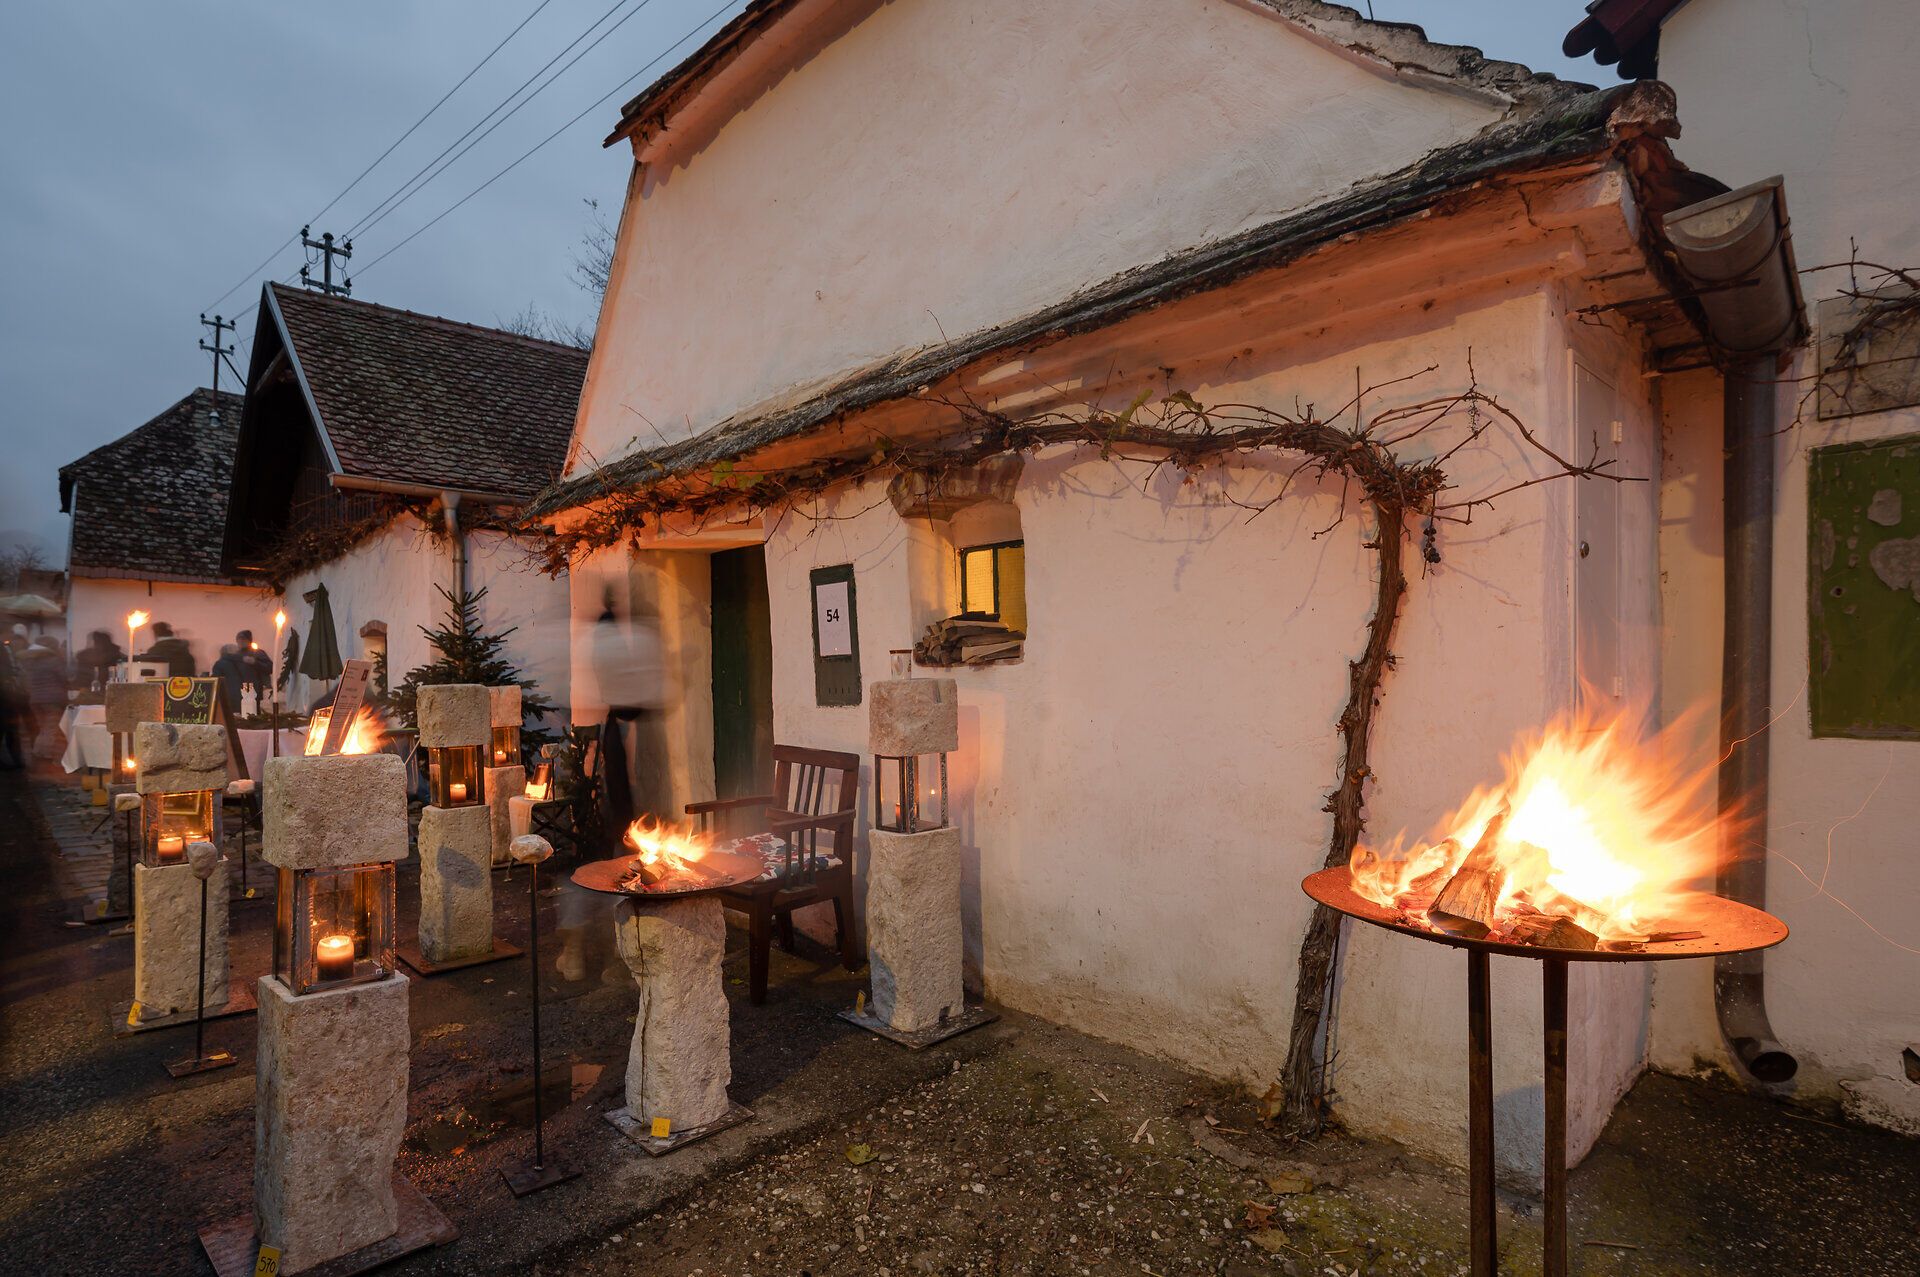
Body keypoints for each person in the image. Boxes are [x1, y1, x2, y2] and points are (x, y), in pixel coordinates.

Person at [19, 637, 66, 760]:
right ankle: (45, 754)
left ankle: (37, 751)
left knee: (42, 727)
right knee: (50, 728)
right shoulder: (54, 661)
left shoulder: (30, 662)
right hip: (52, 700)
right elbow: (64, 677)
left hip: (35, 700)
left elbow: (26, 681)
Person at [211, 643, 251, 717]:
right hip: (244, 694)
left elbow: (216, 679)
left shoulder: (220, 663)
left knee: (228, 717)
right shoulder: (243, 662)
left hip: (226, 694)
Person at [0, 641, 23, 769]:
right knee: (10, 728)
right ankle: (15, 759)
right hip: (6, 694)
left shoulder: (5, 647)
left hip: (7, 693)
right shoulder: (4, 648)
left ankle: (15, 759)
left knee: (10, 728)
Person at [237, 629, 272, 702]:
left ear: (249, 640)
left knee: (253, 710)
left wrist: (255, 662)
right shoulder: (236, 655)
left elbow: (269, 668)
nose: (240, 641)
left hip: (254, 690)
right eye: (238, 639)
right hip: (239, 691)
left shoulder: (257, 653)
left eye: (243, 639)